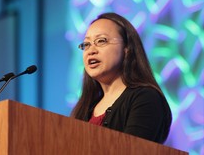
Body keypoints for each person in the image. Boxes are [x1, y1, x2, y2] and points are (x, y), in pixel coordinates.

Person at [71, 12, 172, 144]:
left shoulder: (146, 98)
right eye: (86, 44)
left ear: (127, 48)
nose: (91, 51)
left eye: (101, 41)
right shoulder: (85, 108)